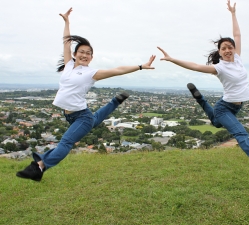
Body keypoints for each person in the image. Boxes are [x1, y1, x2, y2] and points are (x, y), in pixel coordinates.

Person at [16, 7, 156, 181]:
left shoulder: (91, 73)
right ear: (75, 55)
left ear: (91, 57)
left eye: (88, 53)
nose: (84, 54)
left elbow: (118, 70)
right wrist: (67, 22)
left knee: (67, 141)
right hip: (72, 116)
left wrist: (141, 66)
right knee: (95, 119)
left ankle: (39, 167)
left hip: (81, 116)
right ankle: (115, 101)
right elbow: (66, 42)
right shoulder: (68, 65)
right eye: (81, 51)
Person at [157, 0, 249, 177]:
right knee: (241, 133)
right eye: (224, 48)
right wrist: (172, 59)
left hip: (237, 106)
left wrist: (233, 13)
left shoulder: (238, 59)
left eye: (230, 47)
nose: (228, 50)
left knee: (215, 123)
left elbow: (237, 34)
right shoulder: (219, 68)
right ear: (220, 52)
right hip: (225, 107)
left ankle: (200, 99)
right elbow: (194, 66)